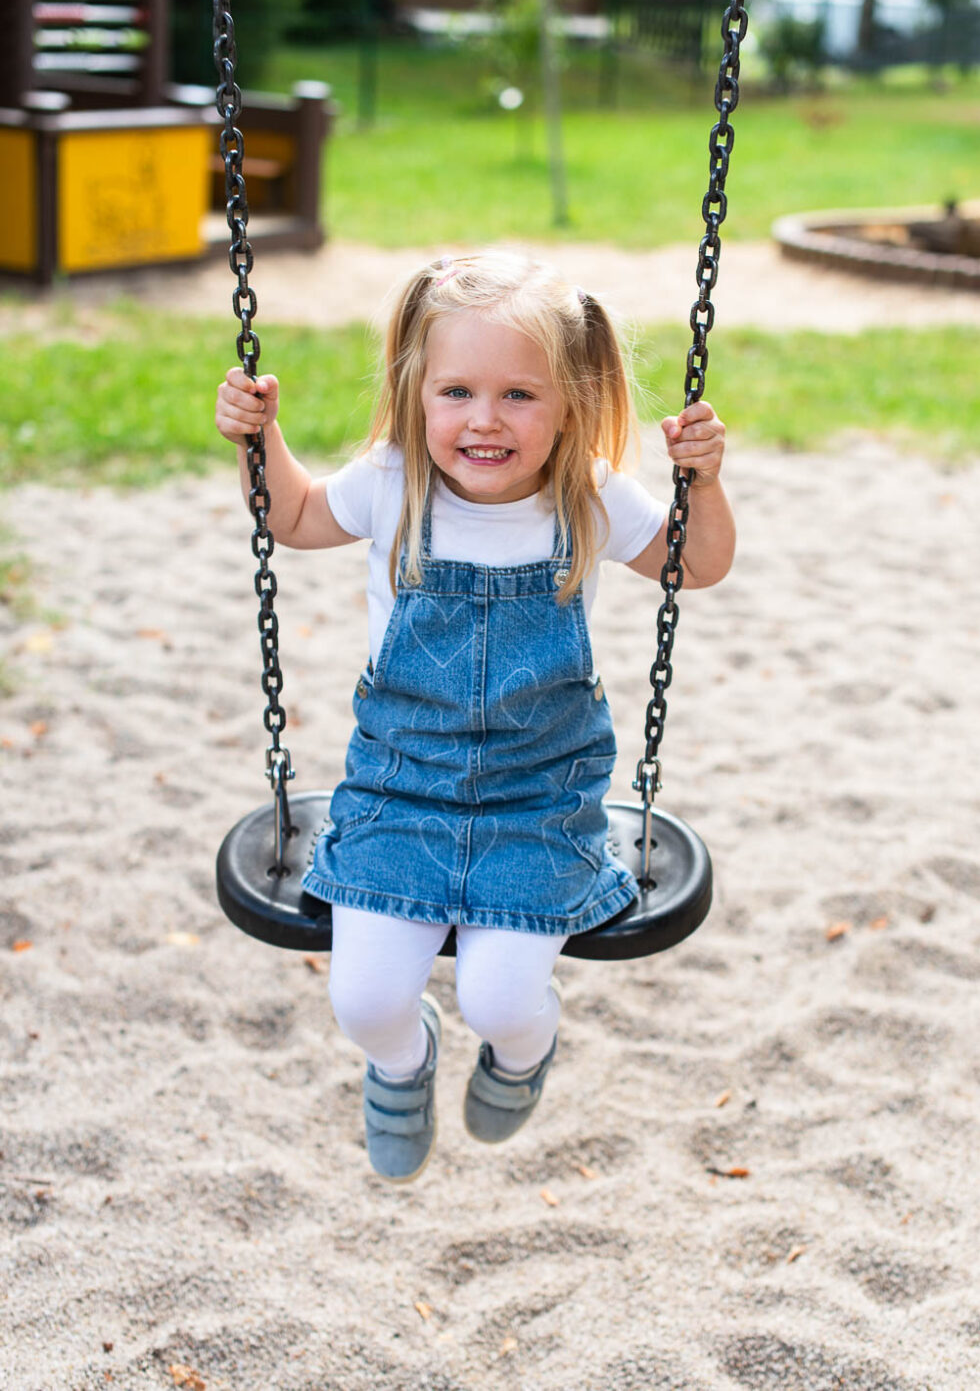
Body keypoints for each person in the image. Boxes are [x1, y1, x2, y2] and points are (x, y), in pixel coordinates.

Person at [215, 252, 734, 1184]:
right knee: (364, 997)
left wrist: (706, 479)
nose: (484, 419)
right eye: (457, 390)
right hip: (400, 791)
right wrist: (260, 437)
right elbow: (289, 514)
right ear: (417, 394)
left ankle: (524, 1055)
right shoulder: (390, 483)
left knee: (501, 999)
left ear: (570, 403)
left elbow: (694, 564)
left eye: (520, 395)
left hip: (539, 802)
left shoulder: (588, 498)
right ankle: (401, 1062)